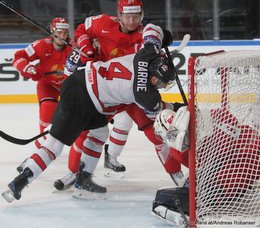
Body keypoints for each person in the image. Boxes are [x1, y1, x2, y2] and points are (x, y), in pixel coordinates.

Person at [2, 23, 179, 202]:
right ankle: (20, 182)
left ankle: (83, 179)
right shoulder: (145, 95)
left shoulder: (144, 55)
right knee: (54, 145)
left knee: (100, 133)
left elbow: (150, 28)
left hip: (83, 86)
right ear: (154, 76)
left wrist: (163, 37)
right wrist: (177, 107)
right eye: (162, 82)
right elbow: (159, 112)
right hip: (84, 97)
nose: (162, 87)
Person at [53, 0, 146, 190]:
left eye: (135, 16)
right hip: (98, 89)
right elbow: (80, 34)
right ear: (119, 15)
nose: (131, 21)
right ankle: (72, 172)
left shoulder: (143, 36)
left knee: (124, 121)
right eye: (127, 16)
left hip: (123, 92)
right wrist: (85, 49)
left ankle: (111, 156)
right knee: (85, 130)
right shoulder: (101, 24)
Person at [12, 17, 71, 161]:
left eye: (64, 32)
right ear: (52, 32)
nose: (62, 35)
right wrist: (28, 67)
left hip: (68, 87)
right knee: (48, 108)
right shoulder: (40, 45)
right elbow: (18, 57)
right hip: (48, 85)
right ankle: (42, 145)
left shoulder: (73, 48)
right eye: (59, 31)